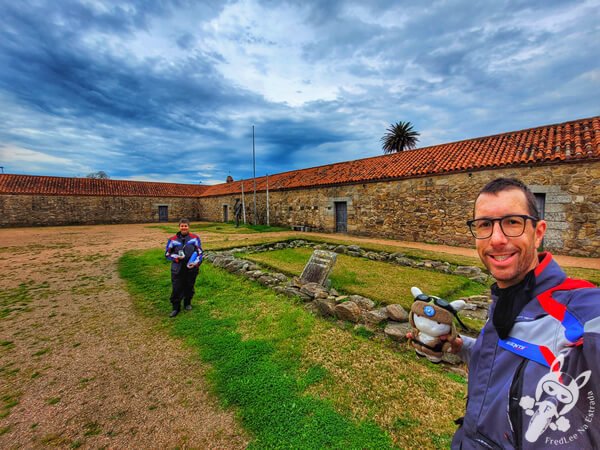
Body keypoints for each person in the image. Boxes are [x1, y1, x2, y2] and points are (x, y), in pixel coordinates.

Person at [449, 177, 600, 449]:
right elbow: (510, 354)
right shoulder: (506, 299)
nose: (496, 239)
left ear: (538, 232)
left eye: (512, 222)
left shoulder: (581, 309)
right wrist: (459, 347)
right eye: (484, 224)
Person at [164, 219, 203, 317]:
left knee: (189, 285)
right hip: (177, 267)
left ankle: (187, 303)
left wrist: (195, 263)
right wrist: (177, 257)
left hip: (191, 267)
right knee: (177, 287)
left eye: (185, 226)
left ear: (188, 227)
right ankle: (175, 307)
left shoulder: (194, 238)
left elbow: (200, 252)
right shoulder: (173, 239)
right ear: (179, 227)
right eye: (182, 226)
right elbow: (167, 254)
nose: (184, 227)